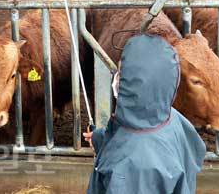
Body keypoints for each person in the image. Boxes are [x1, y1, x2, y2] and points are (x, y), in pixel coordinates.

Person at [83, 34, 206, 194]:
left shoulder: (130, 168)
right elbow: (127, 135)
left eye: (122, 73)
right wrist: (99, 138)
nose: (117, 78)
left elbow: (131, 150)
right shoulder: (170, 118)